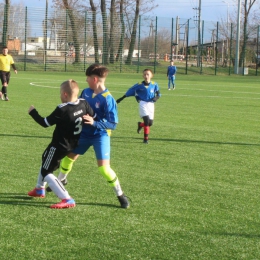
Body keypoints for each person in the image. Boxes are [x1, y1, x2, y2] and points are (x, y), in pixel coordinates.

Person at [49, 64, 130, 209]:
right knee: (68, 158)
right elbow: (75, 108)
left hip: (100, 136)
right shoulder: (85, 93)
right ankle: (61, 180)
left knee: (104, 169)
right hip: (83, 134)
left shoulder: (108, 99)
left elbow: (113, 124)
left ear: (94, 79)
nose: (85, 80)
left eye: (87, 78)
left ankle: (120, 195)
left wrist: (95, 122)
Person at [27, 79, 95, 209]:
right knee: (45, 159)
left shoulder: (62, 109)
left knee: (47, 171)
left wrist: (33, 112)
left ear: (64, 94)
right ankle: (39, 189)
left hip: (59, 145)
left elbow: (44, 123)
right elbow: (93, 115)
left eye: (60, 93)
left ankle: (66, 198)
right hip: (73, 143)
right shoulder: (83, 103)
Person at [116, 68, 161, 144]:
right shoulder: (139, 85)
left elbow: (159, 94)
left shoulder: (154, 84)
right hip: (142, 103)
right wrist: (121, 98)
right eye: (144, 74)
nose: (146, 76)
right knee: (146, 121)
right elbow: (130, 91)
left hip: (151, 104)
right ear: (142, 76)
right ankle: (146, 139)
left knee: (150, 123)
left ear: (151, 75)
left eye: (148, 74)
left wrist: (156, 98)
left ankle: (140, 124)